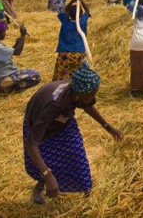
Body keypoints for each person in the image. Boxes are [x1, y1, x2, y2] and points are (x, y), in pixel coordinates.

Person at [23, 64, 123, 204]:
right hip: (39, 125)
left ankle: (87, 191)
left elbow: (87, 104)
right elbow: (31, 143)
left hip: (63, 121)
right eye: (91, 95)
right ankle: (42, 184)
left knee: (76, 156)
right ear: (80, 94)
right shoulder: (55, 104)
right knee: (46, 158)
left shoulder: (75, 88)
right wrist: (47, 175)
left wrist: (108, 127)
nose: (93, 98)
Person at [0, 21, 41, 93]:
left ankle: (9, 85)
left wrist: (18, 41)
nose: (5, 34)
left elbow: (10, 52)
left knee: (33, 72)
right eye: (3, 32)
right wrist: (23, 36)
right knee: (35, 76)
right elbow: (17, 52)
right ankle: (6, 84)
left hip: (1, 76)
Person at [53, 0, 90, 81]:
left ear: (69, 14)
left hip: (64, 55)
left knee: (61, 78)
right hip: (78, 54)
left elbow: (65, 10)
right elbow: (87, 11)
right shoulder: (82, 23)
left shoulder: (65, 22)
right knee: (78, 78)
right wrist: (81, 0)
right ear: (81, 14)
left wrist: (73, 0)